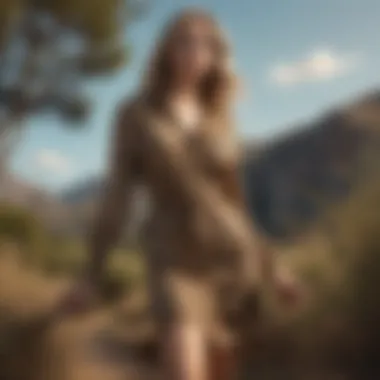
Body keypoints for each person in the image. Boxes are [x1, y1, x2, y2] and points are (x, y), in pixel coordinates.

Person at [59, 8, 300, 380]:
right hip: (174, 260)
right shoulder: (135, 115)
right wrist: (91, 273)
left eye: (207, 45)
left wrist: (273, 269)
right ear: (166, 49)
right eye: (184, 41)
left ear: (216, 57)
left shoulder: (220, 116)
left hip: (233, 261)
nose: (195, 52)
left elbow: (236, 203)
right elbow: (117, 198)